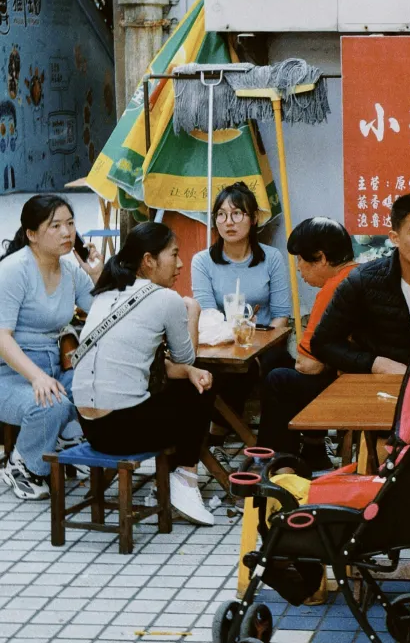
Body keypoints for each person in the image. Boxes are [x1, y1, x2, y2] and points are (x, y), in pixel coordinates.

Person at [73, 222, 217, 527]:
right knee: (201, 386)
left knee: (187, 379)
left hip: (89, 426)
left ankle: (166, 483)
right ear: (148, 260)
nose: (179, 263)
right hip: (125, 430)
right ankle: (185, 480)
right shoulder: (167, 299)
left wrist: (187, 370)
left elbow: (146, 364)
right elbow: (186, 356)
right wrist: (192, 309)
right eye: (174, 255)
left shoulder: (106, 293)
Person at [0, 195, 100, 500]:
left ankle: (66, 443)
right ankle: (22, 466)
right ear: (32, 234)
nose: (67, 232)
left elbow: (102, 313)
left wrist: (96, 274)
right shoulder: (14, 270)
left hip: (53, 369)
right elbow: (2, 337)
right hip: (11, 374)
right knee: (52, 401)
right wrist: (36, 377)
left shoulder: (70, 271)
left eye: (70, 224)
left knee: (95, 384)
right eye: (55, 225)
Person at [311, 192, 410, 374]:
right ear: (395, 238)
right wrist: (375, 364)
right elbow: (323, 343)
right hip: (381, 387)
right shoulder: (363, 282)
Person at [191, 181, 292, 428]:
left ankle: (266, 440)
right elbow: (208, 313)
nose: (229, 222)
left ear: (254, 218)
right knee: (215, 372)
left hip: (266, 345)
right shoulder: (202, 262)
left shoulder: (272, 259)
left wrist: (255, 343)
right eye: (222, 215)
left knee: (276, 370)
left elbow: (281, 316)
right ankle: (218, 434)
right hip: (220, 346)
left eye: (237, 214)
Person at [257, 217, 356, 468]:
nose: (299, 268)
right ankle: (313, 451)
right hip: (360, 373)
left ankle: (279, 463)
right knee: (278, 360)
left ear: (321, 258)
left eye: (300, 259)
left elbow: (308, 366)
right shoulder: (358, 274)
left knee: (279, 379)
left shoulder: (334, 289)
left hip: (350, 387)